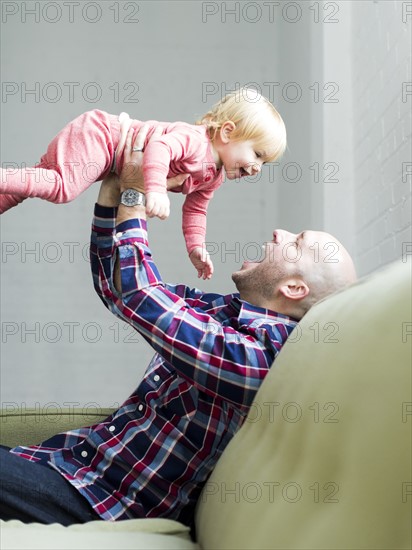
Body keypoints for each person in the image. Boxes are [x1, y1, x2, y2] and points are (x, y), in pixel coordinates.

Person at [0, 126, 357, 531]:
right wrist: (114, 191)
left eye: (295, 243)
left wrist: (135, 197)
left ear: (294, 288)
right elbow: (119, 291)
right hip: (69, 466)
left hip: (102, 501)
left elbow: (140, 295)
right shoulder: (226, 313)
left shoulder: (260, 358)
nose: (280, 232)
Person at [0, 88, 286, 279]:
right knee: (62, 187)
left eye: (264, 163)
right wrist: (156, 189)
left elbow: (196, 211)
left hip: (108, 155)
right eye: (257, 154)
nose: (257, 167)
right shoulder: (195, 140)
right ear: (227, 132)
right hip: (103, 136)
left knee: (33, 182)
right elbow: (159, 148)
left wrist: (196, 246)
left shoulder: (213, 176)